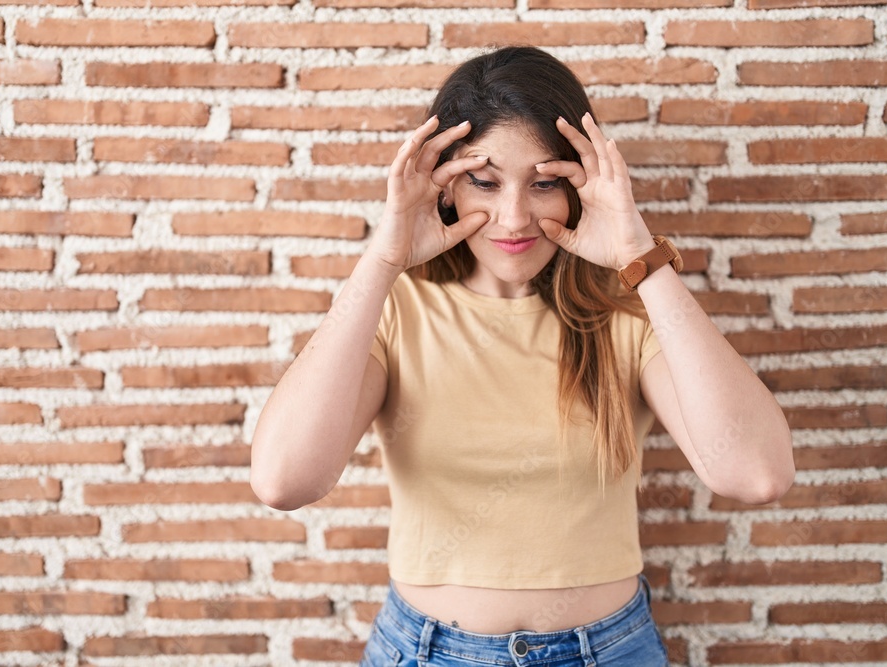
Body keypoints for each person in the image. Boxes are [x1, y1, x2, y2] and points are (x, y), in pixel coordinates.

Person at [251, 46, 794, 666]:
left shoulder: (630, 312)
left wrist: (638, 255)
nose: (513, 218)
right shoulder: (395, 307)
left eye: (544, 183)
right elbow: (283, 481)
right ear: (445, 185)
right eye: (484, 182)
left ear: (582, 188)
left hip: (608, 651)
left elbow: (756, 474)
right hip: (427, 651)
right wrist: (382, 260)